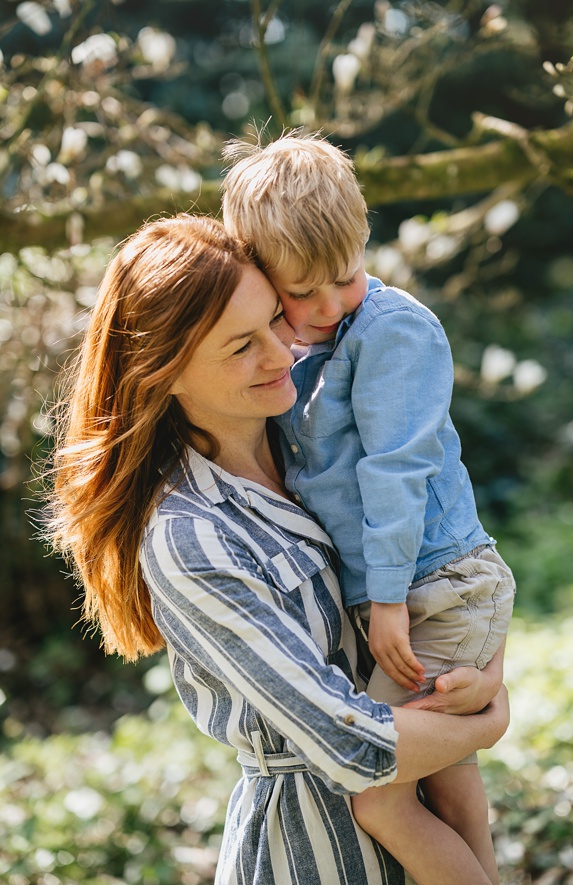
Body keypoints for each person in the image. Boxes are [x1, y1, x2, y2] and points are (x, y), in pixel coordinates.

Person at [42, 215, 508, 884]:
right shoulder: (190, 535)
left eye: (274, 321)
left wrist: (484, 665)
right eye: (241, 346)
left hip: (424, 821)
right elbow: (347, 742)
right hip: (314, 855)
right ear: (164, 373)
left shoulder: (324, 445)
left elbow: (451, 563)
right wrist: (486, 720)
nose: (281, 351)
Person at [221, 133, 515, 885]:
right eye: (300, 291)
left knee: (381, 797)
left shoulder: (393, 330)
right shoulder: (302, 345)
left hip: (431, 582)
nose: (326, 305)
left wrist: (386, 601)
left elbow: (396, 470)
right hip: (410, 586)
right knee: (447, 779)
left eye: (344, 278)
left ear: (366, 242)